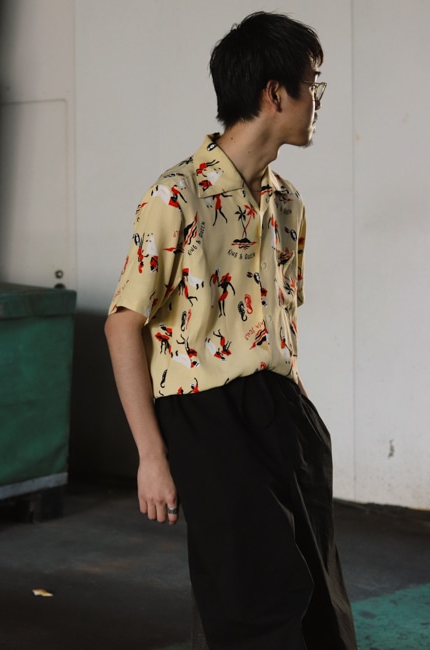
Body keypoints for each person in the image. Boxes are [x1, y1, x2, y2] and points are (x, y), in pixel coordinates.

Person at [105, 11, 357, 650]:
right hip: (205, 414)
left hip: (283, 408)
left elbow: (282, 318)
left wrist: (301, 416)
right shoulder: (176, 196)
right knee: (253, 600)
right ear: (275, 93)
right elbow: (123, 324)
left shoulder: (288, 203)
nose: (317, 101)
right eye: (312, 85)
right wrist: (151, 457)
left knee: (320, 601)